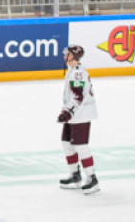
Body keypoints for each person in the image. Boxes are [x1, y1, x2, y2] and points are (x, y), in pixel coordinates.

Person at [57, 45, 100, 195]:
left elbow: (78, 96)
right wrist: (67, 111)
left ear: (72, 56)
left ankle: (92, 179)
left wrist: (68, 112)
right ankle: (75, 176)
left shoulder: (77, 73)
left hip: (81, 114)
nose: (64, 56)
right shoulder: (72, 71)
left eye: (66, 54)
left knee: (80, 146)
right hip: (75, 114)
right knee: (66, 143)